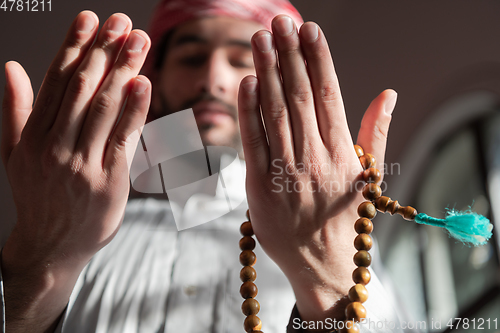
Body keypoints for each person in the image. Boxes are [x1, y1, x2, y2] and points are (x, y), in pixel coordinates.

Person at [0, 0, 402, 332]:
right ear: (153, 88)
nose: (212, 78)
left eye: (244, 58)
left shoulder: (348, 241)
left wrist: (327, 270)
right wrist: (40, 254)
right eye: (191, 58)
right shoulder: (88, 241)